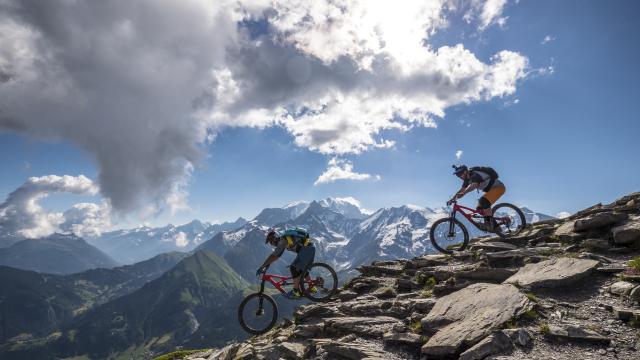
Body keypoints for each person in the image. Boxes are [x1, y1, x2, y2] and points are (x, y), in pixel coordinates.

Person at [257, 227, 316, 299]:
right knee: (301, 269)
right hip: (309, 248)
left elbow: (274, 256)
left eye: (270, 242)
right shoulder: (284, 240)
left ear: (274, 238)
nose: (271, 244)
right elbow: (276, 256)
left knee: (293, 268)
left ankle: (296, 292)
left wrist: (263, 266)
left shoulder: (282, 241)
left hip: (307, 249)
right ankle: (312, 287)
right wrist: (267, 264)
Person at [449, 165, 505, 230]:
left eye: (460, 174)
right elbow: (461, 190)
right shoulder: (467, 180)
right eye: (457, 175)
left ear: (465, 172)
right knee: (479, 208)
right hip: (491, 190)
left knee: (483, 201)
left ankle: (489, 224)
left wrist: (463, 193)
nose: (459, 176)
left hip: (499, 188)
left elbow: (474, 185)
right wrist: (452, 199)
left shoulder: (474, 174)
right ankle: (496, 227)